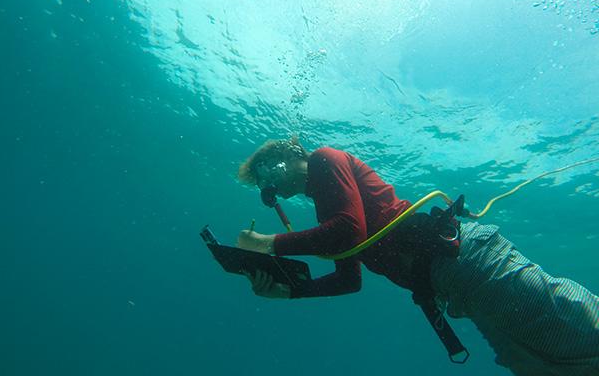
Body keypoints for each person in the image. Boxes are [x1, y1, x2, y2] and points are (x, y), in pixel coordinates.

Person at [236, 137, 599, 376]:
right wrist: (291, 291)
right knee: (547, 365)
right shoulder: (324, 208)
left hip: (468, 261)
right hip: (455, 284)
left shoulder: (324, 160)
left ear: (286, 157)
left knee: (581, 331)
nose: (271, 189)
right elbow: (350, 279)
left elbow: (348, 231)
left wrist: (270, 243)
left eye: (265, 173)